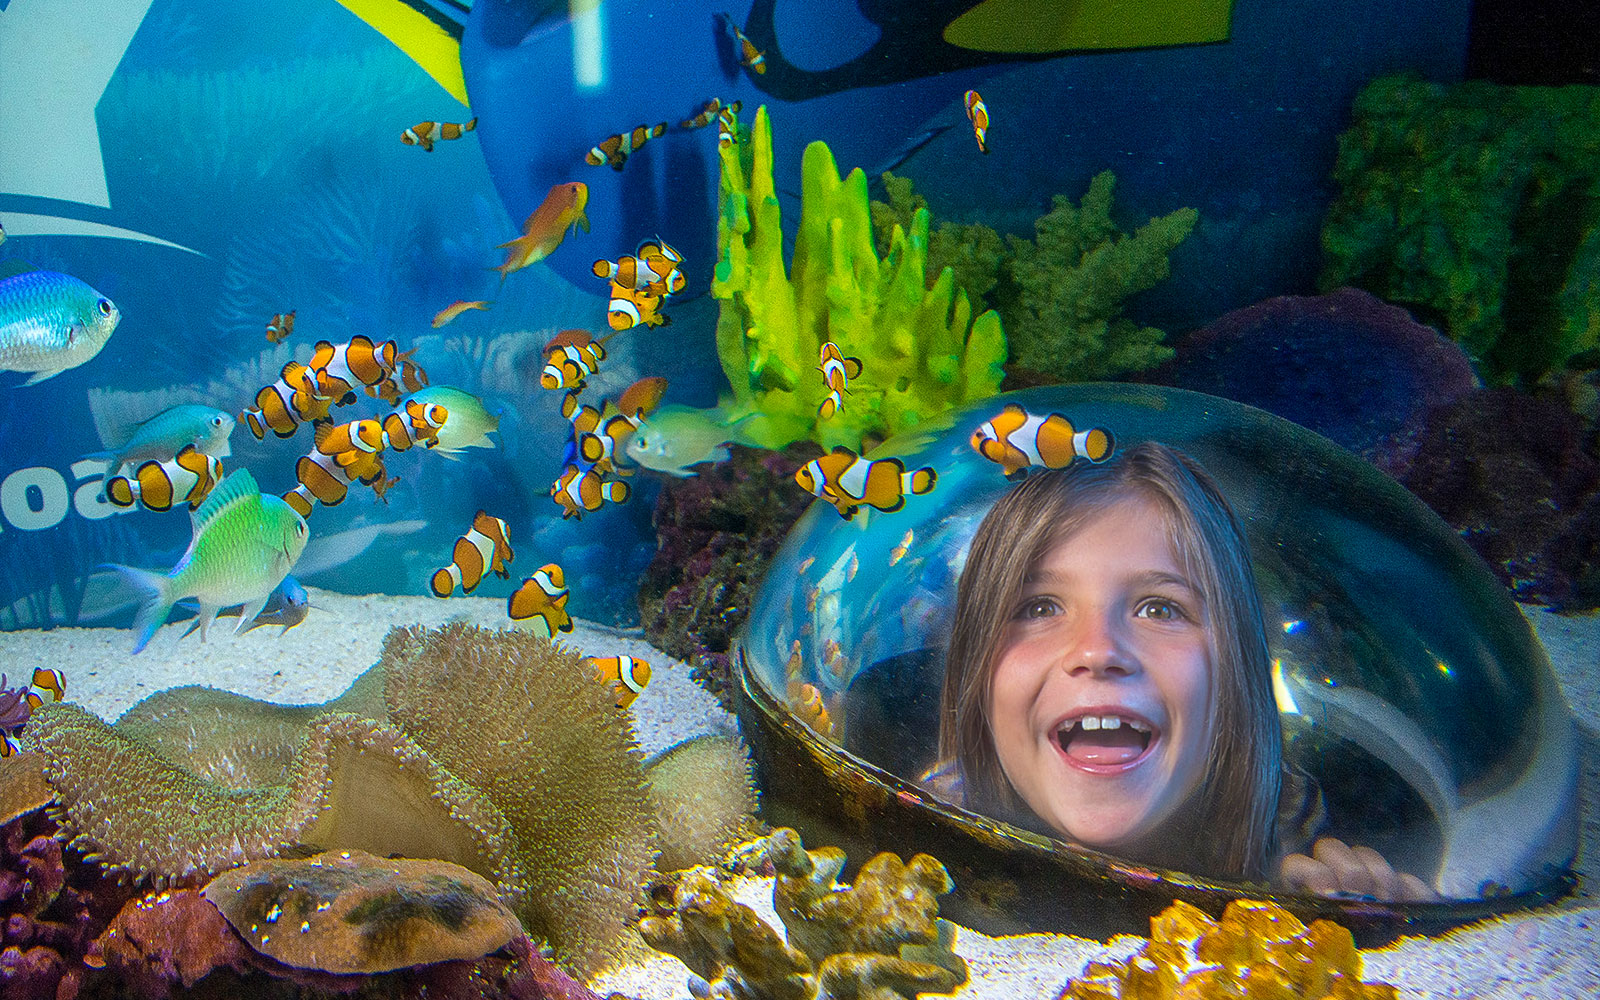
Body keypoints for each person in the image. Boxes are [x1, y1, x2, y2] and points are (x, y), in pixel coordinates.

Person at [932, 441, 1436, 901]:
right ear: (975, 667)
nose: (1099, 650)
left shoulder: (1296, 818)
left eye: (1160, 609)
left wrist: (1352, 897)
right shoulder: (937, 814)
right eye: (1039, 608)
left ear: (1238, 671)